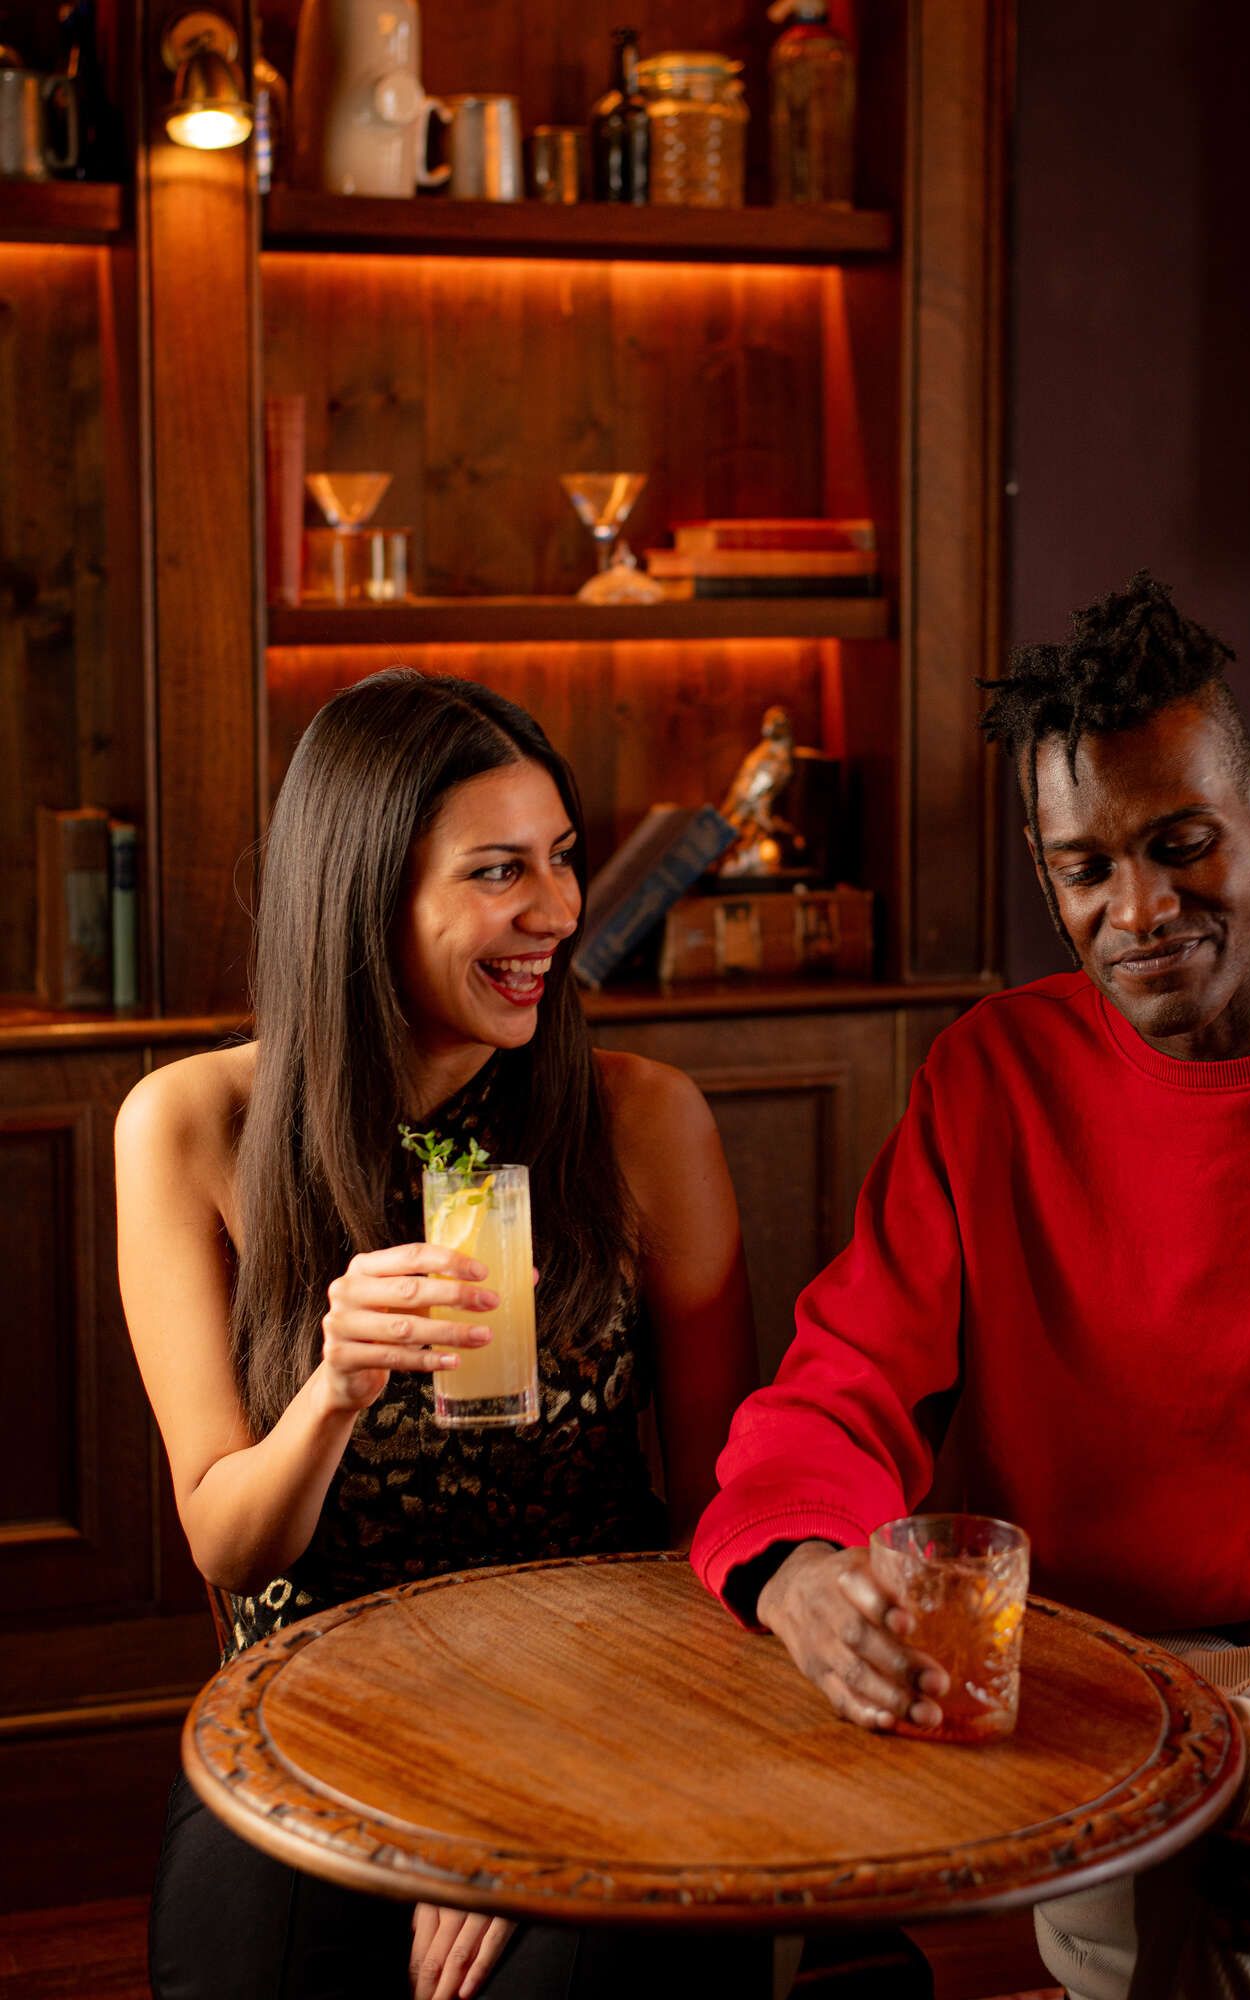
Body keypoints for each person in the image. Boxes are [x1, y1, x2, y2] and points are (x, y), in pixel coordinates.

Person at [690, 573, 1250, 1998]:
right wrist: (802, 1569)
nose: (1139, 909)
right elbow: (841, 1383)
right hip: (1094, 1655)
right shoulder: (991, 1076)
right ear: (1043, 869)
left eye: (1182, 845)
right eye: (1086, 869)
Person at [118, 668, 761, 2000]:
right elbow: (230, 1542)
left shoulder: (644, 1122)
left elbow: (724, 1521)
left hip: (601, 1694)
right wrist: (333, 1388)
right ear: (364, 896)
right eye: (497, 871)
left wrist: (552, 1787)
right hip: (316, 1702)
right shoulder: (191, 1127)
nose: (559, 911)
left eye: (562, 858)